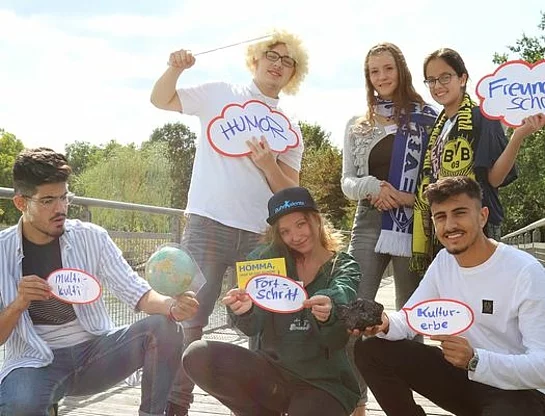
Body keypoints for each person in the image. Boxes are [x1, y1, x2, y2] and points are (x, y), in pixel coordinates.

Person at [150, 29, 309, 415]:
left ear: (293, 73)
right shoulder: (221, 92)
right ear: (255, 58)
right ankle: (176, 404)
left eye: (288, 61)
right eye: (272, 55)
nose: (278, 64)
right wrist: (174, 68)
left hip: (261, 234)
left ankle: (259, 403)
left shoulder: (290, 128)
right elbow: (160, 99)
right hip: (207, 224)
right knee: (189, 316)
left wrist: (269, 164)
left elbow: (293, 192)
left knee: (262, 321)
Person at [0, 148, 199, 416]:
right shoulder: (2, 251)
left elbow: (136, 292)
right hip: (33, 361)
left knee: (165, 328)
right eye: (47, 200)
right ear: (21, 203)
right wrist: (18, 303)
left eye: (64, 197)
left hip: (94, 352)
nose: (60, 208)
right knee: (18, 404)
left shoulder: (92, 237)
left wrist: (172, 306)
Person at [354, 176, 545, 416]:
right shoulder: (444, 261)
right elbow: (411, 318)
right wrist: (384, 324)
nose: (450, 225)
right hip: (464, 377)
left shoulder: (525, 271)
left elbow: (542, 366)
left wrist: (476, 360)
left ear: (483, 216)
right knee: (370, 350)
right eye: (440, 217)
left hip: (518, 392)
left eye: (460, 213)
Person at [182, 186, 361, 416]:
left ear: (316, 220)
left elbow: (342, 296)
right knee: (196, 355)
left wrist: (330, 307)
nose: (295, 237)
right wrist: (243, 310)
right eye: (285, 231)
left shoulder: (344, 264)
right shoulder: (265, 261)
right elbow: (251, 326)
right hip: (271, 374)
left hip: (323, 383)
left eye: (301, 224)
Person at [341, 42, 438, 415]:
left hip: (413, 223)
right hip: (367, 223)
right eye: (373, 71)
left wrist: (405, 198)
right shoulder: (358, 124)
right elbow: (347, 182)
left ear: (401, 71)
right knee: (354, 311)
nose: (381, 77)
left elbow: (436, 176)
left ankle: (405, 403)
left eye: (387, 69)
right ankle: (356, 400)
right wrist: (374, 188)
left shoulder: (427, 119)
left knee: (409, 318)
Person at [411, 47, 545, 274]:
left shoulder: (481, 115)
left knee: (485, 297)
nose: (438, 86)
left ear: (462, 78)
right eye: (431, 80)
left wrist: (518, 136)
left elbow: (494, 178)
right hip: (444, 225)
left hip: (478, 223)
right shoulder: (439, 126)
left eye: (445, 77)